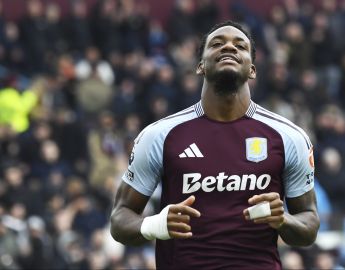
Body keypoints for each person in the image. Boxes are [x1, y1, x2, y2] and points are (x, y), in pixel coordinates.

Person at [110, 20, 319, 269]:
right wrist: (154, 225)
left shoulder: (289, 137)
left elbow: (309, 224)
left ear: (252, 69)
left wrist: (283, 219)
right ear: (200, 67)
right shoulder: (159, 135)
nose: (229, 48)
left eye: (239, 46)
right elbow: (119, 219)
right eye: (217, 44)